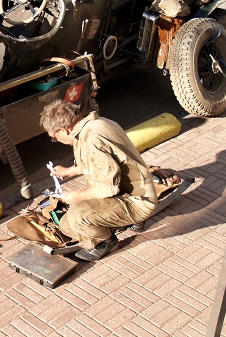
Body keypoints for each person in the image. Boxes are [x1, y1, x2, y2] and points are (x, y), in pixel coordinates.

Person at [39, 100, 158, 261]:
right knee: (67, 225)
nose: (56, 141)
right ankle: (122, 221)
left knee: (76, 218)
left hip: (137, 200)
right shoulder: (94, 124)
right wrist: (69, 171)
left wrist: (76, 196)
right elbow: (96, 161)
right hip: (128, 192)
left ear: (64, 130)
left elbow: (106, 189)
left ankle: (106, 242)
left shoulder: (92, 139)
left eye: (55, 137)